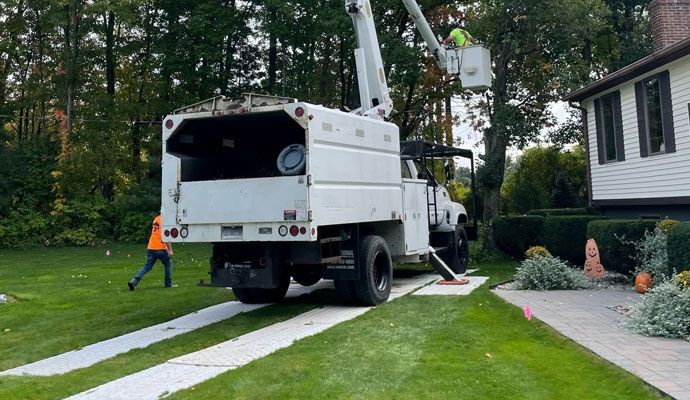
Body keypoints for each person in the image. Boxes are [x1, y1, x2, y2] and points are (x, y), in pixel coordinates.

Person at [128, 214, 176, 290]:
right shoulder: (165, 221)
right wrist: (170, 250)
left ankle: (133, 281)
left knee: (147, 266)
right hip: (160, 248)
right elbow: (166, 237)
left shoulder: (156, 219)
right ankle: (168, 283)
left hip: (151, 247)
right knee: (168, 264)